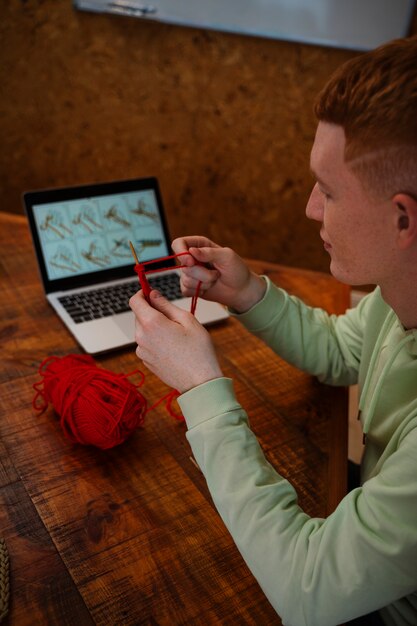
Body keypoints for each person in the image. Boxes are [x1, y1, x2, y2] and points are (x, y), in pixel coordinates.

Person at [129, 35, 417, 626]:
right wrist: (247, 293)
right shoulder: (399, 293)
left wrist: (201, 388)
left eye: (330, 190)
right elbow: (342, 351)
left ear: (403, 217)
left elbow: (307, 592)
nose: (312, 208)